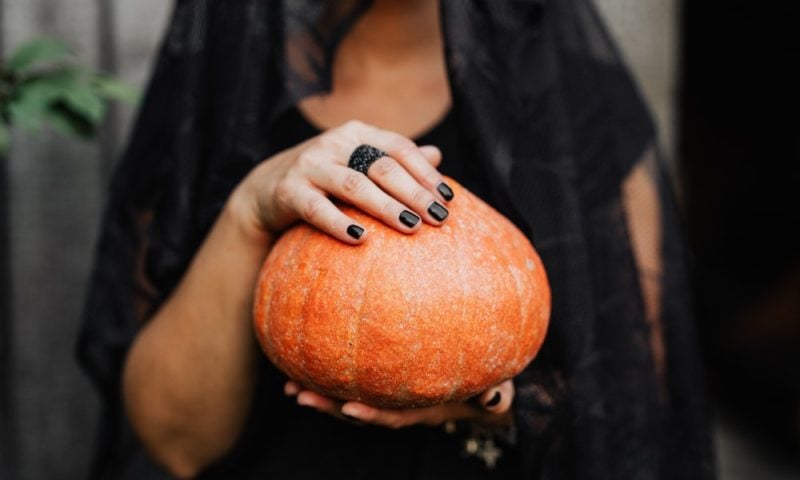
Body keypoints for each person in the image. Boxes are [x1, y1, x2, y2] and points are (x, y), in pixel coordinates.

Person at [77, 0, 715, 478]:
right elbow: (176, 445)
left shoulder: (578, 106)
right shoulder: (224, 91)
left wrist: (502, 406)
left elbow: (636, 403)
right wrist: (252, 207)